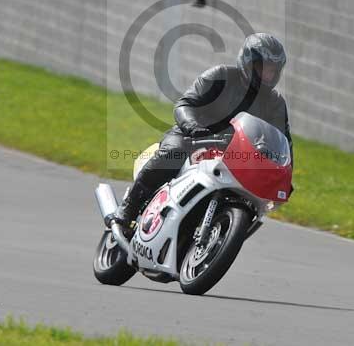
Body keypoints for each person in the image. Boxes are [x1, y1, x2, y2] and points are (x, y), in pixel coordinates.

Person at [110, 33, 292, 229]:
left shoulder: (276, 103)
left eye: (272, 70)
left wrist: (284, 176)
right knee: (172, 153)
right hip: (193, 137)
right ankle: (127, 209)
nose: (267, 75)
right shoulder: (221, 76)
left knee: (253, 200)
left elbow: (284, 143)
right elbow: (185, 104)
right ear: (248, 63)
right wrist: (192, 126)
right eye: (262, 68)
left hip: (236, 153)